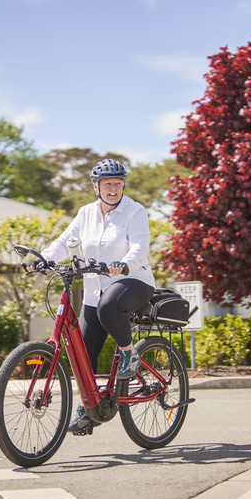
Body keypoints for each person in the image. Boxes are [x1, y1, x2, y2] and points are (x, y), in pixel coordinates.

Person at [31, 158, 156, 433]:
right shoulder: (86, 213)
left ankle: (129, 354)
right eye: (107, 183)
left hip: (132, 279)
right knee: (83, 354)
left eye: (118, 183)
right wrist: (43, 259)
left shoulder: (135, 211)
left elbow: (139, 244)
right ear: (95, 187)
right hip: (93, 290)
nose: (113, 188)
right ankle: (89, 407)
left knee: (109, 305)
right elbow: (65, 241)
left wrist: (125, 262)